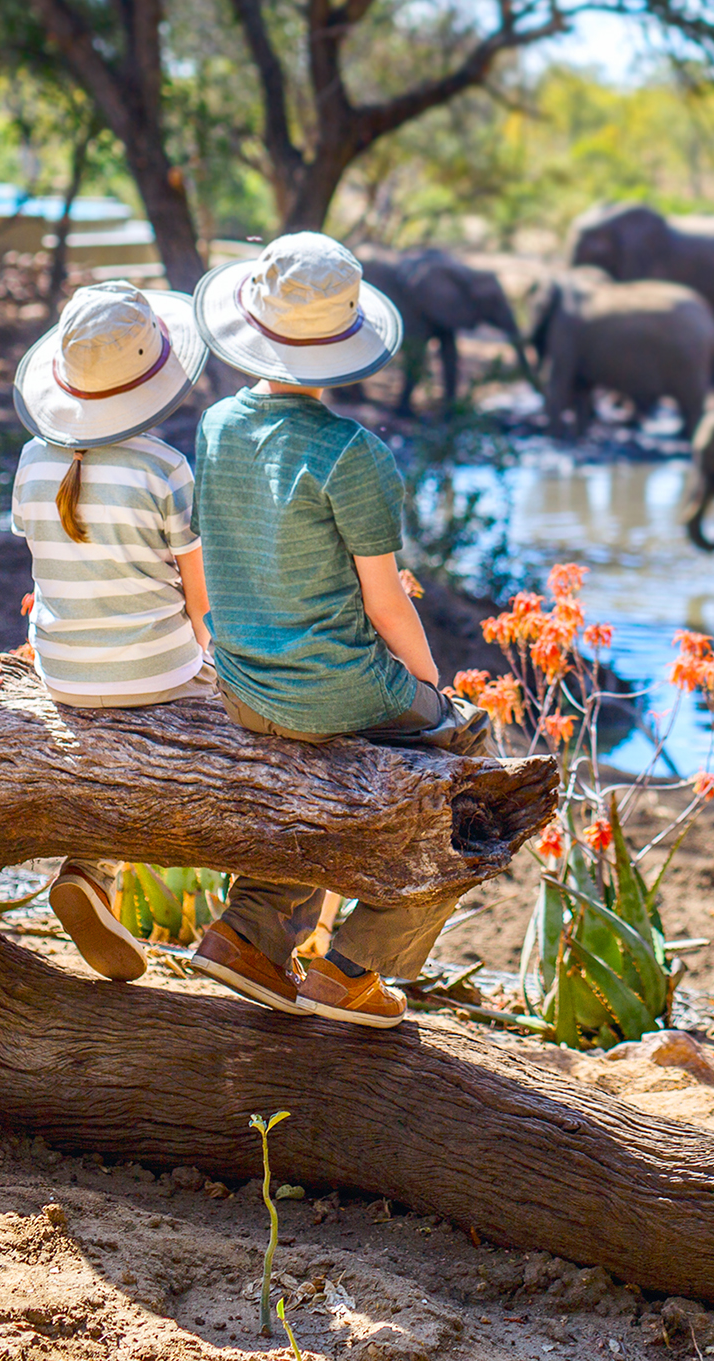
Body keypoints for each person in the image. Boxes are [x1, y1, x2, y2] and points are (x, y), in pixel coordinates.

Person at [188, 231, 482, 1026]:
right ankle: (353, 966)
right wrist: (435, 694)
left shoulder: (216, 425)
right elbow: (388, 606)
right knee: (475, 776)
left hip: (244, 684)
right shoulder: (355, 452)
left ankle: (247, 932)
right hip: (334, 691)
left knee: (319, 771)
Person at [9, 279, 213, 984]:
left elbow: (42, 559)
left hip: (61, 669)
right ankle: (249, 923)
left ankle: (90, 871)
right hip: (155, 671)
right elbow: (200, 597)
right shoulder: (165, 467)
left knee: (113, 724)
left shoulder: (34, 459)